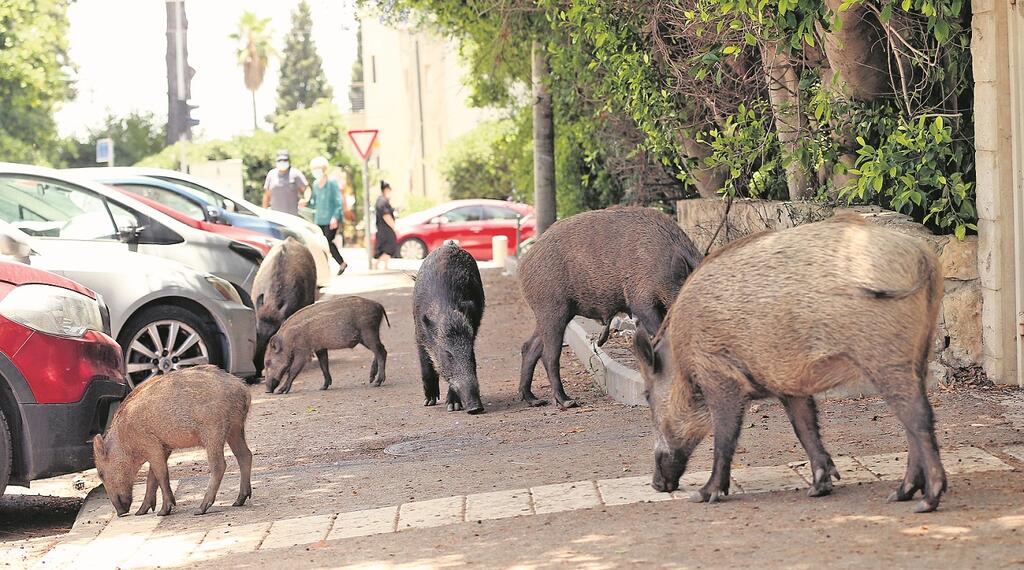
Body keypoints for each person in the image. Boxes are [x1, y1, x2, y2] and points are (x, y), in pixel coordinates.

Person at [301, 156, 348, 275]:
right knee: (321, 244)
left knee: (328, 242)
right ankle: (337, 264)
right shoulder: (316, 184)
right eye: (314, 169)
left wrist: (335, 217)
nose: (316, 171)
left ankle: (340, 263)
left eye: (318, 168)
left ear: (324, 169)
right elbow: (314, 203)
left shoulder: (332, 183)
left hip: (331, 219)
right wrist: (305, 203)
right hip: (319, 219)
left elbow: (338, 202)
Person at [262, 150, 307, 215]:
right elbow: (266, 195)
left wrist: (305, 199)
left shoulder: (295, 173)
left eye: (285, 160)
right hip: (275, 215)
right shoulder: (271, 174)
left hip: (292, 215)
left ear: (289, 161)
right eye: (280, 161)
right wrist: (264, 212)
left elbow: (306, 189)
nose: (282, 162)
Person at [373, 180, 398, 270]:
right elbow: (386, 215)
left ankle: (385, 265)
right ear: (386, 190)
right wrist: (394, 226)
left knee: (386, 248)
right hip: (385, 229)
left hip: (383, 229)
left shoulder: (382, 200)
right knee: (389, 247)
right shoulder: (382, 201)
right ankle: (376, 263)